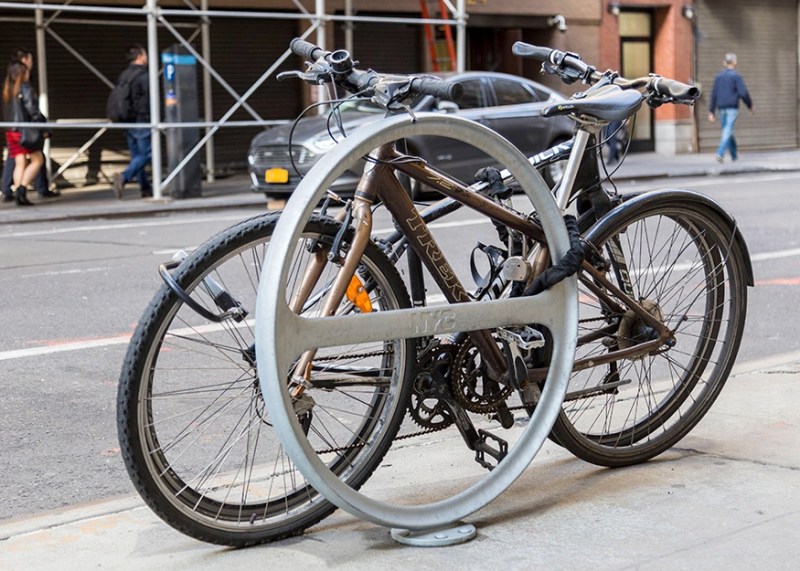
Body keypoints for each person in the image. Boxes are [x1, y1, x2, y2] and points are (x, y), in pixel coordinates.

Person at [1, 48, 57, 202]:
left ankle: (19, 194)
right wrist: (44, 127)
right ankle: (22, 188)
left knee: (20, 162)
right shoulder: (25, 88)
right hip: (24, 131)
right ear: (22, 73)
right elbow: (33, 111)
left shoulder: (8, 89)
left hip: (10, 131)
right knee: (37, 159)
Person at [113, 44, 151, 199]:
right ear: (140, 56)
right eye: (145, 54)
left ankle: (145, 189)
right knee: (148, 154)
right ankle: (124, 176)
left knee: (137, 156)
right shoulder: (144, 76)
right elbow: (150, 99)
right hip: (142, 120)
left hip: (128, 121)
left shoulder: (124, 75)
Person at [708, 53, 753, 163]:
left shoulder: (718, 77)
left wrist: (711, 111)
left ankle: (733, 155)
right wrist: (750, 105)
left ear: (725, 62)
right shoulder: (736, 76)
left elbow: (714, 94)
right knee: (727, 131)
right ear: (735, 62)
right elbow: (743, 93)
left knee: (727, 131)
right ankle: (720, 153)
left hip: (721, 107)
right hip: (732, 108)